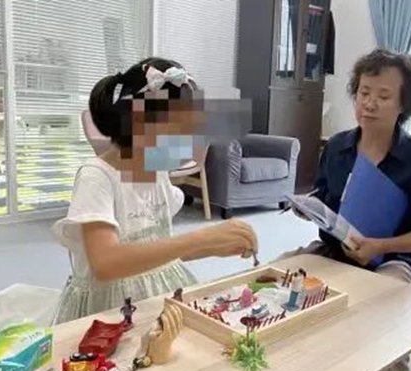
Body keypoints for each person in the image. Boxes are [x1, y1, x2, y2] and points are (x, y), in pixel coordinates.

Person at [285, 48, 411, 371]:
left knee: (369, 309)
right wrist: (308, 207)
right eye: (363, 92)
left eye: (383, 96)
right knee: (282, 277)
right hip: (334, 251)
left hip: (394, 261)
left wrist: (379, 246)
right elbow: (325, 197)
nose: (369, 103)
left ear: (404, 104)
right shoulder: (337, 146)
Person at [52, 57, 258, 324]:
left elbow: (158, 249)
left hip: (155, 296)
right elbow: (105, 263)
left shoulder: (156, 172)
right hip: (111, 311)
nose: (192, 144)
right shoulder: (97, 177)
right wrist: (200, 238)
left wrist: (213, 246)